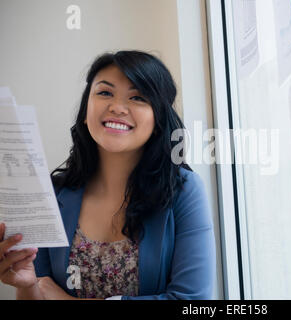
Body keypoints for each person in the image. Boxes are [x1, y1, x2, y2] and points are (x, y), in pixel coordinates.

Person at [0, 50, 216, 300]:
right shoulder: (52, 192)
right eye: (104, 93)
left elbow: (192, 301)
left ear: (158, 117)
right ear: (86, 108)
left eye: (138, 97)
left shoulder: (184, 190)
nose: (117, 108)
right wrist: (26, 285)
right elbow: (40, 288)